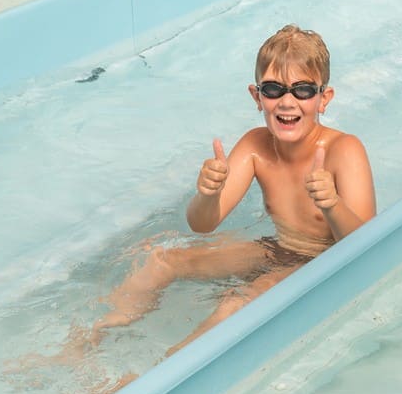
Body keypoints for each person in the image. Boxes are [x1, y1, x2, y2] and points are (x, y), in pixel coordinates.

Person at [81, 24, 377, 361]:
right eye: (273, 89)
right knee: (164, 259)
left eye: (303, 90)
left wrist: (331, 203)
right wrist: (207, 194)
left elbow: (367, 247)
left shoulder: (345, 150)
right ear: (256, 96)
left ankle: (162, 370)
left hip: (323, 263)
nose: (287, 102)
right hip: (279, 249)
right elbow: (202, 224)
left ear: (324, 98)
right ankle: (97, 334)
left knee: (237, 301)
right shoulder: (255, 145)